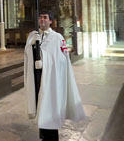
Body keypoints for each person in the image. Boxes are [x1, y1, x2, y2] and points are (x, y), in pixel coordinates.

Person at [24, 10, 85, 141]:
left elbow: (63, 60)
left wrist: (45, 60)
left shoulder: (57, 38)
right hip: (37, 77)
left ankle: (51, 138)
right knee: (40, 106)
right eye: (40, 17)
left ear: (51, 21)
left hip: (51, 79)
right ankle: (43, 134)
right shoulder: (32, 35)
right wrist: (31, 45)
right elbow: (27, 55)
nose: (42, 20)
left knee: (50, 107)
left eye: (45, 17)